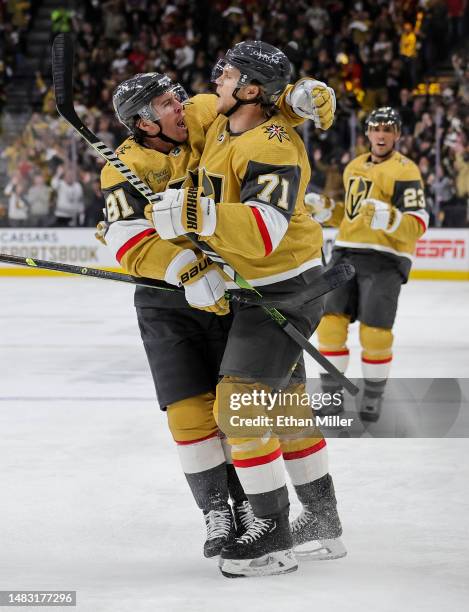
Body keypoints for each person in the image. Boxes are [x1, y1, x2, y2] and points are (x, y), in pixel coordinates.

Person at [100, 66, 338, 564]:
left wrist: (298, 97)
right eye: (165, 103)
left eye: (176, 95)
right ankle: (222, 512)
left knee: (274, 407)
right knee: (196, 414)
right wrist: (183, 267)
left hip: (240, 285)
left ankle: (301, 517)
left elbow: (258, 114)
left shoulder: (205, 111)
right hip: (172, 300)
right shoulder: (121, 167)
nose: (180, 104)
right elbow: (125, 239)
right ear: (143, 123)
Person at [305, 107, 429, 422]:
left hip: (385, 257)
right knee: (330, 325)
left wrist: (392, 219)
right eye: (376, 128)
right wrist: (327, 209)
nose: (382, 134)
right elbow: (351, 213)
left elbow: (418, 223)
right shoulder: (354, 167)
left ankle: (372, 398)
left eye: (388, 129)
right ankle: (331, 396)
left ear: (398, 134)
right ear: (368, 133)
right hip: (346, 252)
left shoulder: (406, 170)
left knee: (376, 333)